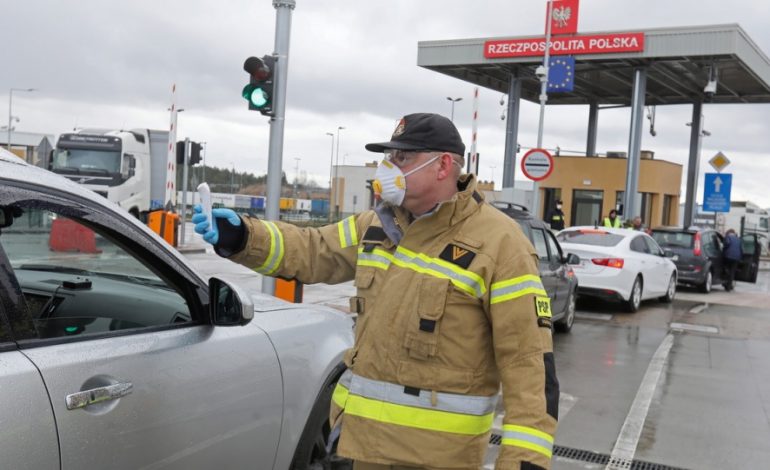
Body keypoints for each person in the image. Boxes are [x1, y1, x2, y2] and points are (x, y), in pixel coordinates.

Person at [193, 113, 559, 469]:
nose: (389, 167)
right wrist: (242, 236)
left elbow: (528, 365)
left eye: (403, 157)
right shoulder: (379, 224)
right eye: (389, 157)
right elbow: (312, 249)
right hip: (361, 448)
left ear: (443, 165)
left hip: (436, 459)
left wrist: (524, 462)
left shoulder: (500, 244)